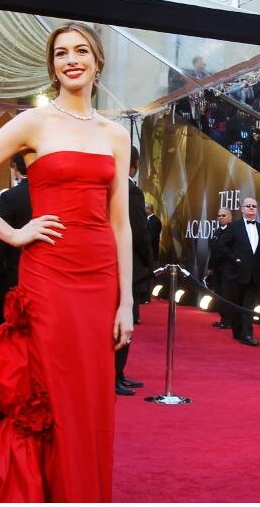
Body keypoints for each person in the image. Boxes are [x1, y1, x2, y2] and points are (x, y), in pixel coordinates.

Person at [0, 21, 132, 502]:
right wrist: (13, 233)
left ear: (97, 61)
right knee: (51, 393)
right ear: (52, 66)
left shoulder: (115, 134)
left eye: (80, 51)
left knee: (91, 398)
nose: (71, 60)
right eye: (61, 53)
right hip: (49, 274)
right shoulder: (34, 122)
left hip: (99, 280)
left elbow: (121, 223)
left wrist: (126, 303)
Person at [0, 154, 31, 335]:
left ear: (15, 168)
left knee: (6, 329)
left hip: (12, 276)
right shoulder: (54, 196)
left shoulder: (8, 198)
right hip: (47, 276)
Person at [218, 196, 260, 346]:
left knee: (248, 306)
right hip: (236, 273)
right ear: (242, 209)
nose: (251, 208)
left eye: (254, 206)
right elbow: (222, 245)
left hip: (254, 274)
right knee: (236, 304)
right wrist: (234, 259)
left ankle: (247, 335)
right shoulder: (234, 227)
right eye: (248, 206)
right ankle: (238, 332)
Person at [116, 145, 150, 396]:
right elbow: (139, 232)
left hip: (109, 263)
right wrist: (150, 262)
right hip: (131, 266)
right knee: (125, 322)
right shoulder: (131, 191)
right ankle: (115, 375)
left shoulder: (109, 187)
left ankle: (118, 374)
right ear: (134, 164)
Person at [209, 207, 235, 330]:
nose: (220, 217)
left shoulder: (233, 232)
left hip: (228, 269)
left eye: (223, 215)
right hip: (216, 269)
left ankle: (229, 320)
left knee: (227, 294)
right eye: (219, 215)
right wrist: (210, 267)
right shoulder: (217, 231)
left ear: (230, 218)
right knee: (218, 294)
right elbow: (213, 251)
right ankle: (223, 319)